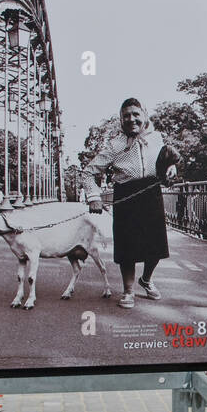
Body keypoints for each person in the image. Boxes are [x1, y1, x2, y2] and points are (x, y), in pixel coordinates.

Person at [84, 98, 178, 310]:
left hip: (151, 192)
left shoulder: (156, 137)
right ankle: (128, 290)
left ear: (144, 115)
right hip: (126, 195)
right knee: (127, 247)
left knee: (156, 246)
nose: (131, 119)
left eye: (135, 114)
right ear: (121, 119)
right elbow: (89, 172)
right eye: (126, 115)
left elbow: (166, 159)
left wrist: (171, 167)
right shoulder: (114, 145)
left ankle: (146, 279)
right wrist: (94, 197)